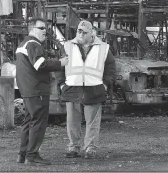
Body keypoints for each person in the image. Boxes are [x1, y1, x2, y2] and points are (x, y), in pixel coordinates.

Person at [56, 20, 115, 159]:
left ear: (92, 33)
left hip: (94, 88)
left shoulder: (104, 48)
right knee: (72, 121)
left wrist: (105, 84)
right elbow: (59, 66)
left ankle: (90, 148)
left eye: (84, 32)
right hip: (72, 87)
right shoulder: (67, 46)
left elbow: (110, 68)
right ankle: (73, 148)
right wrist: (61, 84)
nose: (81, 34)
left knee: (93, 122)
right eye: (79, 31)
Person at [15, 17, 68, 165]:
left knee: (28, 121)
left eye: (46, 28)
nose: (46, 31)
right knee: (38, 122)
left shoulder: (23, 44)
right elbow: (40, 65)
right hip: (37, 89)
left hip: (27, 89)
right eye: (42, 28)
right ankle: (32, 156)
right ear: (32, 29)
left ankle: (23, 154)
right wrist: (60, 63)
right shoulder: (33, 44)